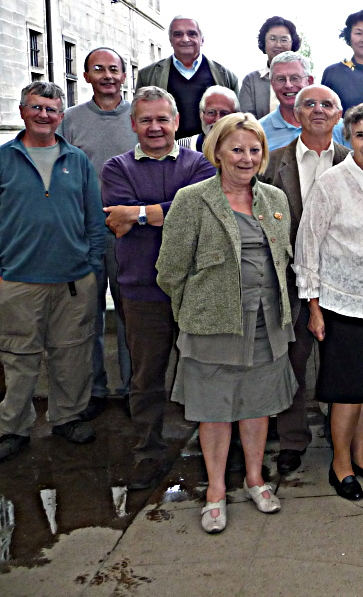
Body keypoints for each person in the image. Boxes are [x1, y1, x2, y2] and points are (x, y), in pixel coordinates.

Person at [156, 113, 297, 534]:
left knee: (257, 405)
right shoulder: (192, 199)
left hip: (266, 323)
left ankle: (255, 479)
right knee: (214, 410)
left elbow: (283, 261)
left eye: (254, 150)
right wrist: (195, 314)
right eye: (236, 149)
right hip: (213, 327)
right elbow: (170, 270)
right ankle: (216, 490)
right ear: (217, 152)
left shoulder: (274, 199)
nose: (246, 158)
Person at [101, 86, 215, 489]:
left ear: (176, 123)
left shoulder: (200, 164)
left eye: (162, 119)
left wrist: (140, 212)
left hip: (195, 290)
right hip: (142, 291)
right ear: (133, 124)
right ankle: (147, 454)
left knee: (205, 373)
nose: (154, 127)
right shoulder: (116, 169)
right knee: (146, 379)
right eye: (146, 119)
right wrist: (166, 210)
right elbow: (117, 219)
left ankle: (213, 452)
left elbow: (201, 212)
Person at [294, 103, 363, 500]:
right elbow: (307, 243)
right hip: (341, 304)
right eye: (360, 135)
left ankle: (362, 456)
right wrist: (313, 305)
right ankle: (340, 464)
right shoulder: (331, 183)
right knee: (346, 391)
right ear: (348, 139)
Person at [0, 82, 104, 462]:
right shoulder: (4, 159)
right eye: (36, 107)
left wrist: (90, 267)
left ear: (61, 116)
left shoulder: (77, 161)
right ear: (22, 110)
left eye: (52, 109)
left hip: (73, 281)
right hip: (17, 279)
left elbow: (95, 221)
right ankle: (13, 427)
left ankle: (68, 417)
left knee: (72, 355)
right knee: (18, 357)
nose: (44, 115)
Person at [260, 84, 348, 475]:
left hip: (344, 282)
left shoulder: (353, 161)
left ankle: (342, 442)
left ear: (339, 115)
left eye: (326, 104)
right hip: (288, 281)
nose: (318, 109)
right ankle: (293, 440)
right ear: (294, 114)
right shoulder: (270, 164)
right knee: (291, 364)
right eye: (308, 104)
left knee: (342, 365)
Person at [59, 47, 136, 420]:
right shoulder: (69, 120)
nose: (107, 75)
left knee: (129, 312)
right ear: (86, 76)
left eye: (114, 69)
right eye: (98, 69)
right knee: (86, 313)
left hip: (130, 232)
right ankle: (94, 391)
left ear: (125, 75)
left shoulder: (138, 118)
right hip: (85, 231)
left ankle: (131, 388)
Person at [137, 16, 239, 139]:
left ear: (202, 40)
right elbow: (140, 118)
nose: (185, 39)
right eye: (178, 34)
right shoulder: (147, 76)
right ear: (170, 40)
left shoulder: (226, 76)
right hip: (166, 152)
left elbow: (236, 121)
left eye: (192, 34)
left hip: (211, 152)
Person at [238, 16, 300, 118]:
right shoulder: (251, 81)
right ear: (264, 42)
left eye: (284, 40)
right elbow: (246, 120)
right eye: (272, 39)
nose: (278, 44)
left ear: (292, 43)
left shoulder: (304, 77)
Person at [259, 51, 314, 151]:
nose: (288, 85)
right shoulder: (258, 131)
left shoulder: (335, 126)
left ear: (309, 81)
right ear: (272, 84)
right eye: (280, 79)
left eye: (295, 78)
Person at [178, 86, 239, 152]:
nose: (217, 120)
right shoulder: (181, 147)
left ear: (236, 116)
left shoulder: (246, 147)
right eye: (211, 113)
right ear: (201, 115)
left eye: (224, 113)